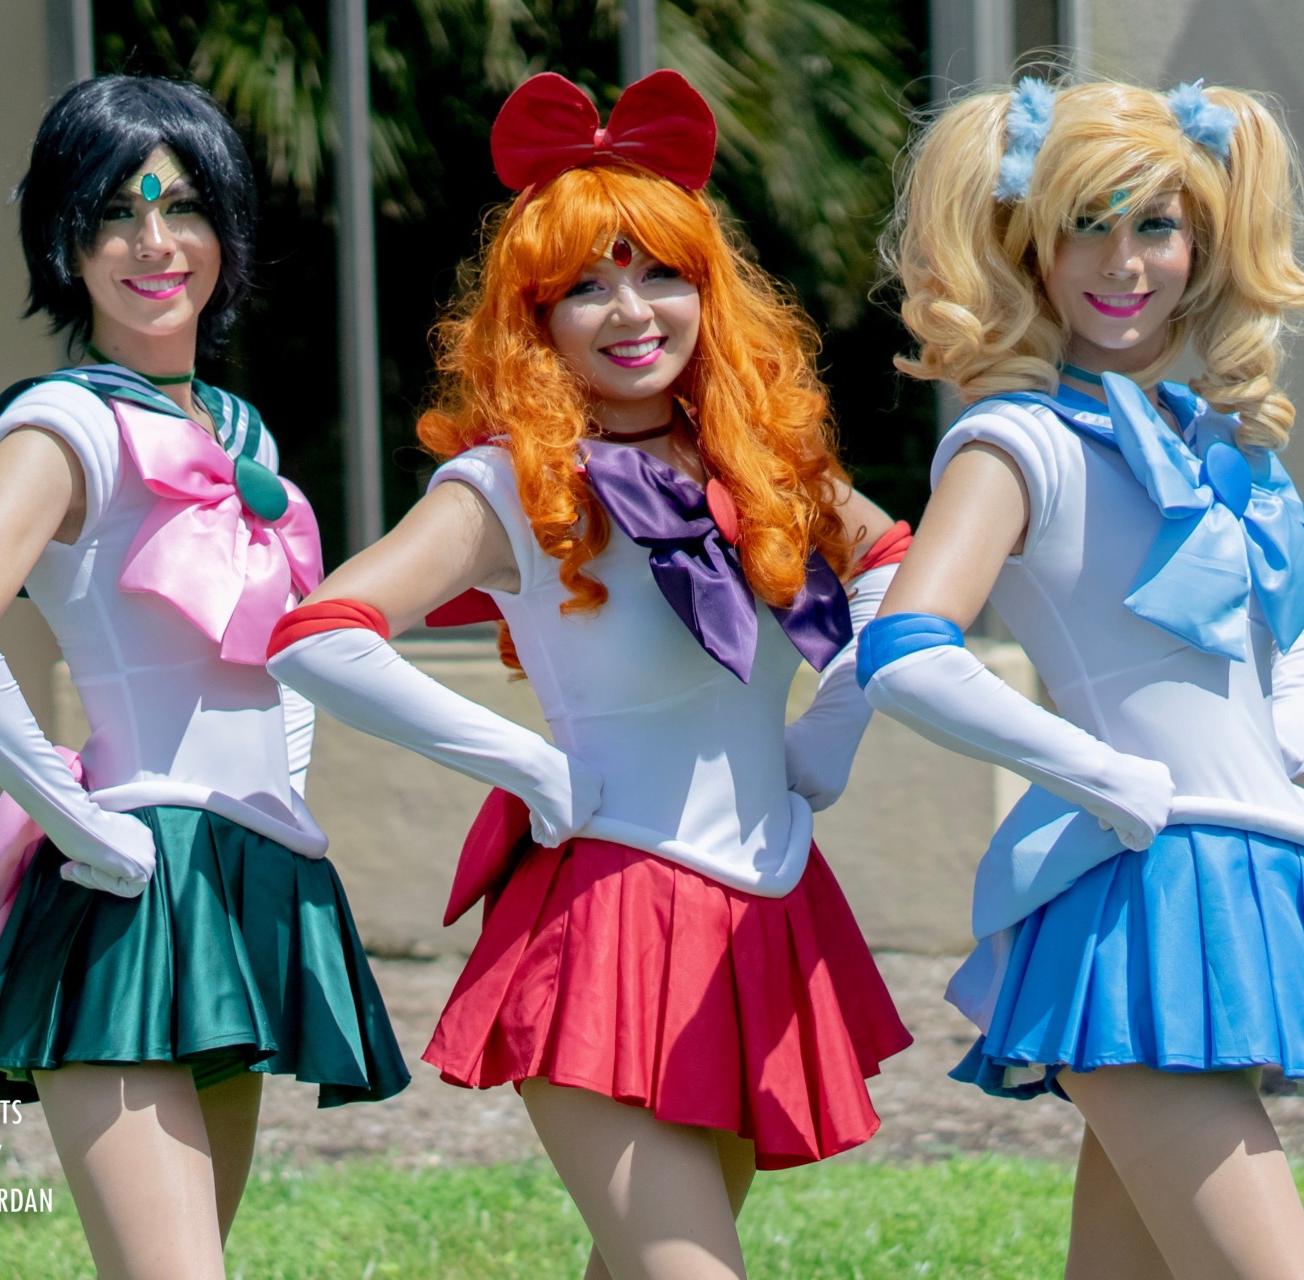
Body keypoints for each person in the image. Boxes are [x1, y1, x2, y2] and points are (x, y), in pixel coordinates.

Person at [265, 70, 913, 1280]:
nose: (631, 310)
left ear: (709, 289)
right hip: (605, 916)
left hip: (764, 907)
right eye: (584, 286)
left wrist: (838, 723)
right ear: (535, 318)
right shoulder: (504, 485)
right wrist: (521, 759)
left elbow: (897, 570)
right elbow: (318, 634)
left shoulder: (761, 461)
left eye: (660, 273)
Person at [868, 76, 1304, 1278]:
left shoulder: (1214, 439)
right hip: (1135, 897)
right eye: (1085, 225)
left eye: (1155, 225)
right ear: (1029, 243)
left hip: (1239, 870)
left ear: (1201, 241)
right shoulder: (1015, 439)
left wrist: (1284, 731)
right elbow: (906, 651)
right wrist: (1104, 772)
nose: (1123, 262)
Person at [0, 75, 407, 1279]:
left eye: (183, 207)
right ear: (65, 244)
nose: (155, 242)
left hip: (244, 871)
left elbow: (277, 645)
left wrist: (284, 794)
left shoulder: (242, 430)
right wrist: (80, 820)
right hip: (124, 886)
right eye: (115, 212)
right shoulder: (59, 423)